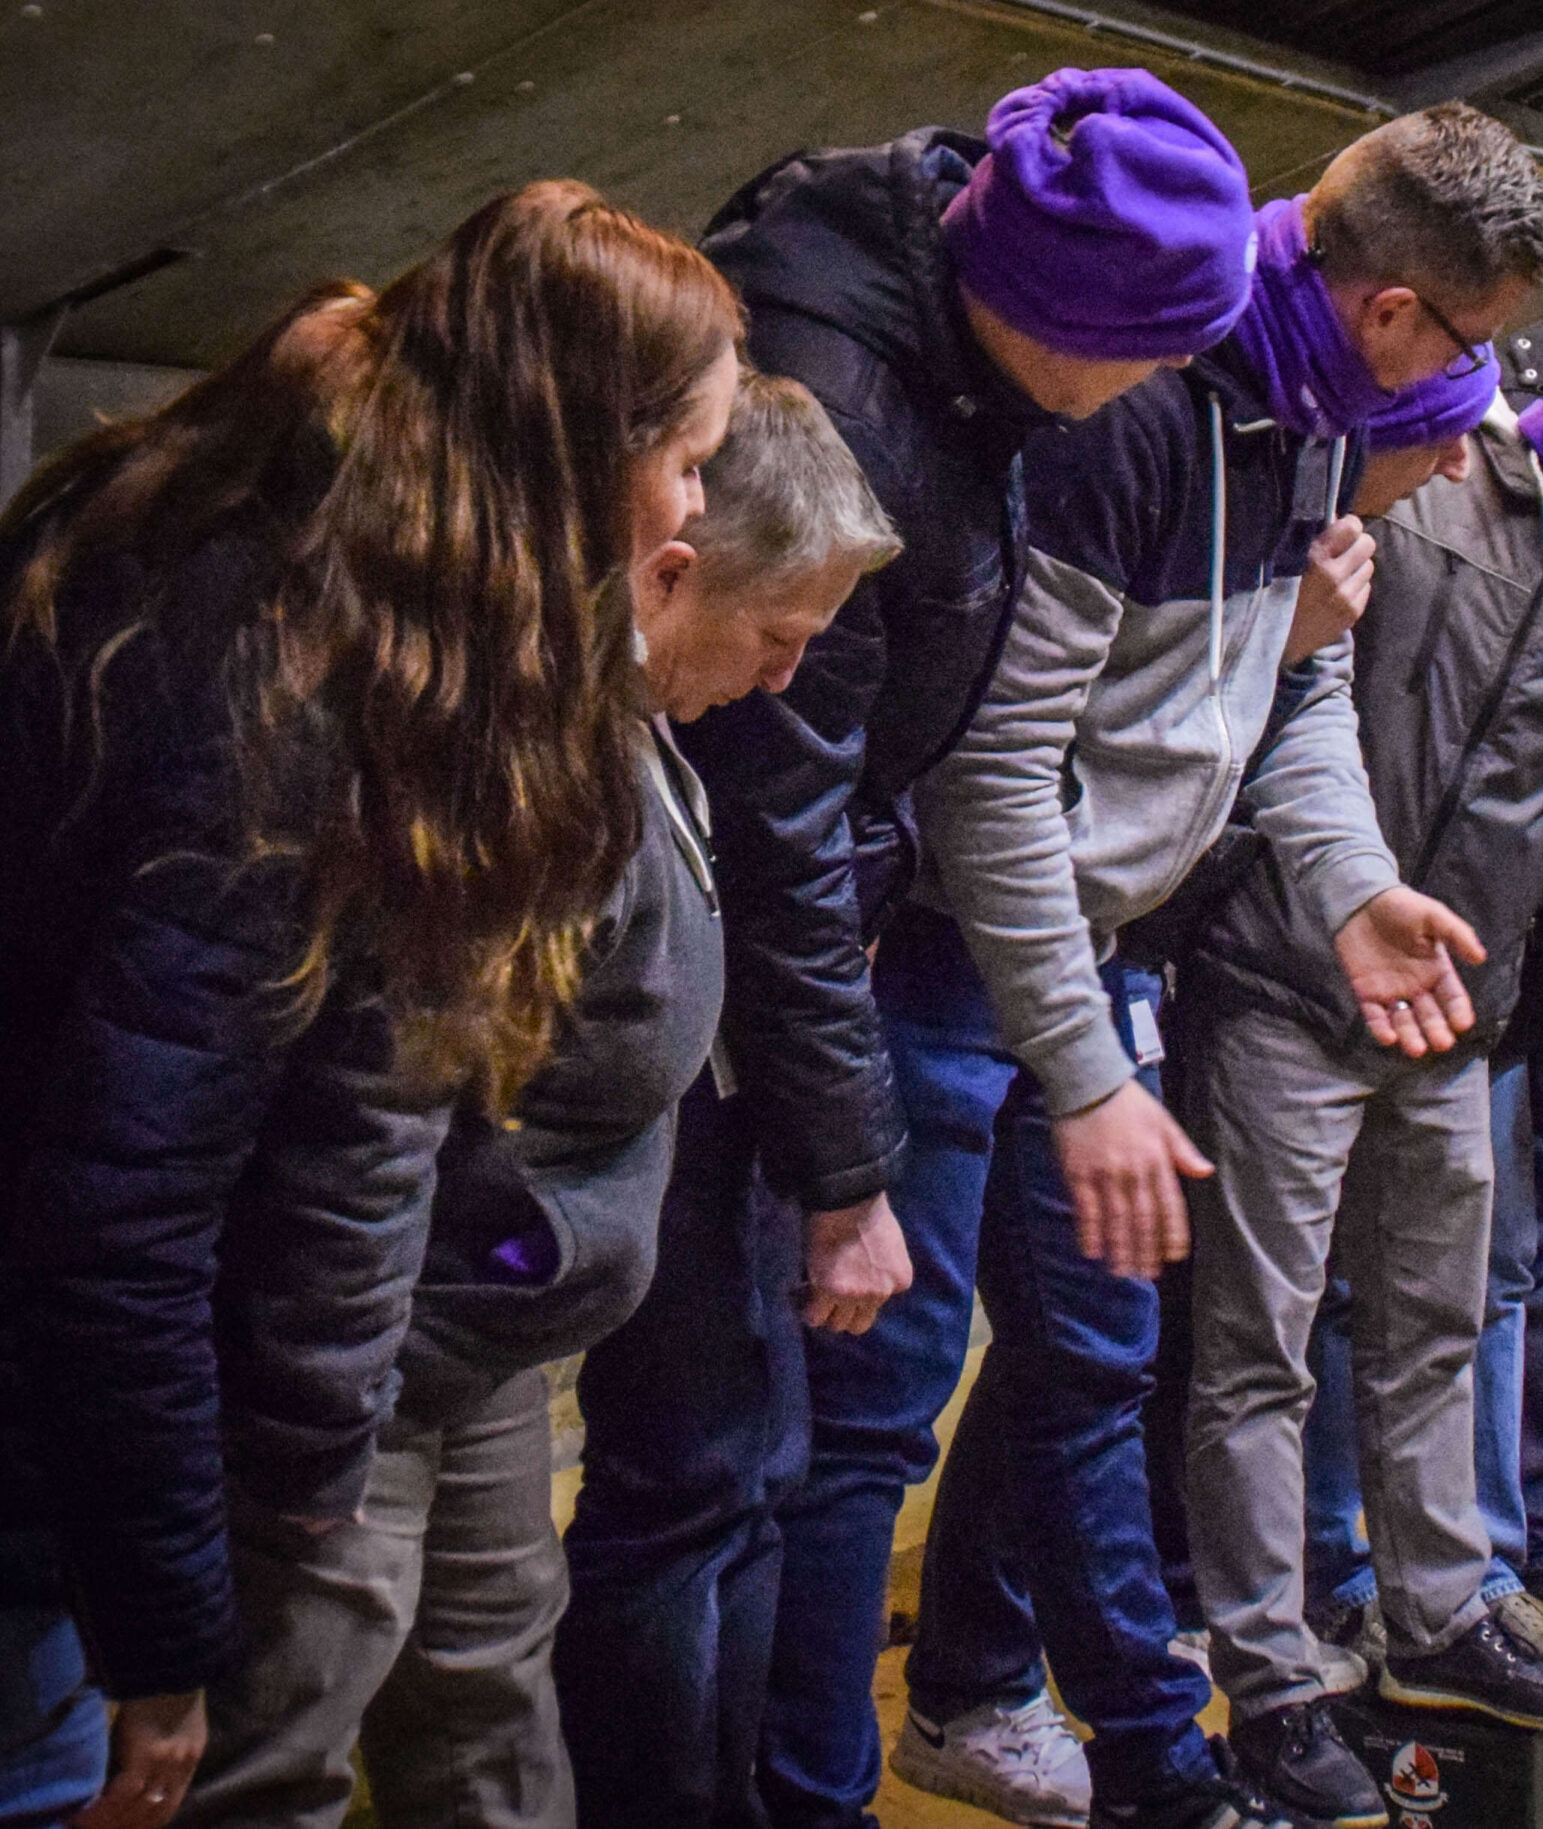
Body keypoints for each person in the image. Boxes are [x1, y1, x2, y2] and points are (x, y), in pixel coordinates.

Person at [832, 102, 1543, 1829]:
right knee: (871, 1411)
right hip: (945, 960)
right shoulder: (1140, 407)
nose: (1477, 402)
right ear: (1394, 315)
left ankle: (1097, 1734)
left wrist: (1352, 886)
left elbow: (1287, 695)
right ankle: (813, 1780)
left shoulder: (1314, 419)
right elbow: (993, 773)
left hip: (1104, 951)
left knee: (1096, 1352)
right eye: (1474, 343)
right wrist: (1085, 1066)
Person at [551, 69, 1260, 1829]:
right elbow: (779, 812)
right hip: (713, 986)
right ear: (1068, 320)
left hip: (782, 973)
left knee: (758, 1456)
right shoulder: (852, 391)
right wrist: (848, 1163)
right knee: (697, 1469)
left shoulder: (949, 349)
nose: (1157, 392)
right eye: (1151, 352)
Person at [0, 180, 742, 1829]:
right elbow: (118, 1213)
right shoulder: (286, 689)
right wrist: (169, 1636)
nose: (696, 503)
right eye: (688, 459)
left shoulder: (285, 548)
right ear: (577, 449)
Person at [165, 374, 899, 1829]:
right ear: (674, 569)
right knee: (289, 1723)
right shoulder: (519, 777)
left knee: (491, 1703)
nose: (781, 681)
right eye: (775, 637)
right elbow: (373, 1129)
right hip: (374, 1360)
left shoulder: (635, 727)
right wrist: (330, 1417)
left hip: (487, 1342)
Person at [1180, 297, 1543, 1822]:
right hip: (1288, 989)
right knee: (1261, 1347)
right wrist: (1277, 902)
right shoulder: (1430, 490)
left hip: (1460, 1021)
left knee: (1438, 1325)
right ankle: (1271, 1678)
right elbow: (1271, 695)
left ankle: (1441, 1614)